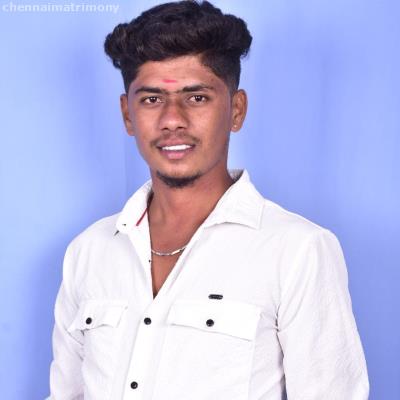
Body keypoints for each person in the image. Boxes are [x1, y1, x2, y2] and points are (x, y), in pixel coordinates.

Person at [47, 1, 369, 399]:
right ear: (128, 115)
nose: (172, 119)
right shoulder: (88, 252)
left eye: (196, 98)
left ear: (236, 110)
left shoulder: (297, 251)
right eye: (151, 100)